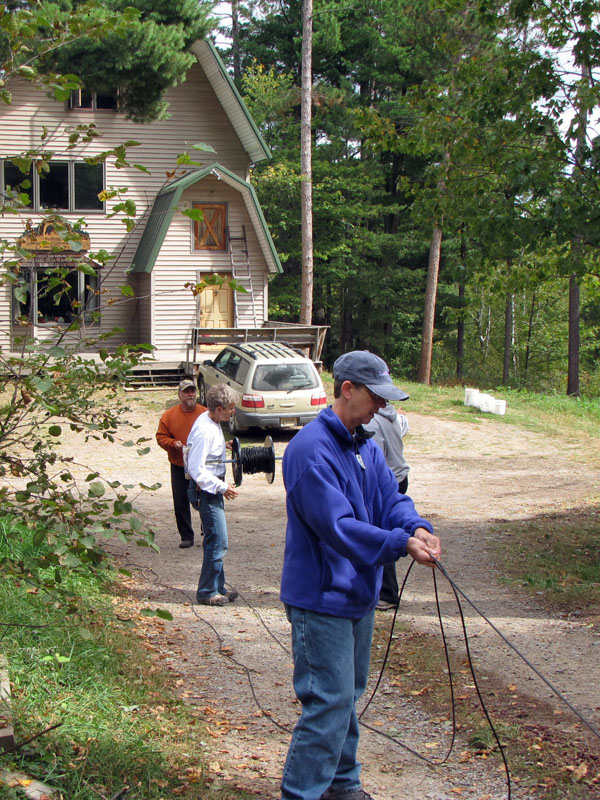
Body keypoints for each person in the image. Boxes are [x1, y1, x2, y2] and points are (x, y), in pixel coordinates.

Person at [280, 350, 441, 800]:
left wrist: (417, 526)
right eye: (376, 397)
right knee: (328, 703)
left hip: (358, 596)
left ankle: (342, 785)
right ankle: (302, 793)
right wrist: (397, 544)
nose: (382, 407)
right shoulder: (310, 450)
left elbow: (392, 501)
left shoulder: (365, 444)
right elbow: (339, 527)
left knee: (346, 697)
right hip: (320, 600)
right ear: (347, 389)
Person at [186, 384, 240, 607]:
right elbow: (196, 469)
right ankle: (207, 591)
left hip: (210, 490)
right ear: (218, 409)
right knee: (217, 541)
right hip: (205, 492)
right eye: (230, 408)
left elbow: (207, 454)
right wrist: (222, 487)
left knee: (216, 539)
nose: (232, 412)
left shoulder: (211, 422)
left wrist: (222, 446)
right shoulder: (204, 432)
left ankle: (218, 586)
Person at [363, 401, 410, 610]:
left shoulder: (371, 422)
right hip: (400, 476)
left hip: (389, 482)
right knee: (384, 531)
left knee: (381, 533)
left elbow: (374, 460)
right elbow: (404, 426)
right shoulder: (390, 415)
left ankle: (388, 594)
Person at [156, 379, 206, 549]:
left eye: (193, 391)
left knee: (206, 499)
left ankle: (207, 533)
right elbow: (160, 437)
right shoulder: (169, 416)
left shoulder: (205, 413)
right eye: (187, 391)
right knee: (181, 501)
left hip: (202, 464)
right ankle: (186, 536)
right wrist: (173, 444)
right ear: (179, 395)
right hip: (179, 464)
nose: (191, 394)